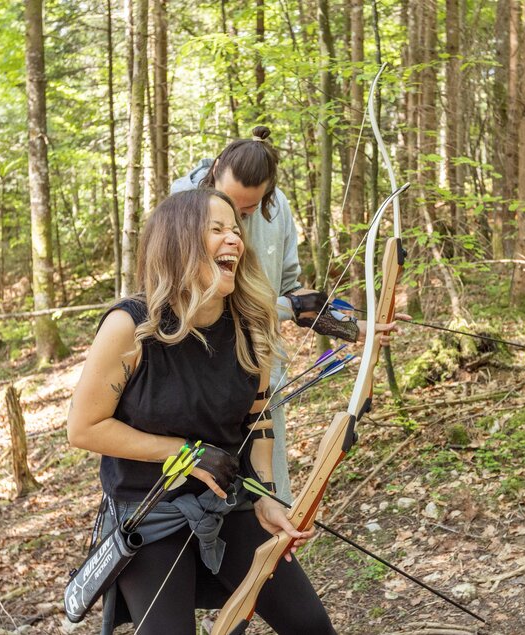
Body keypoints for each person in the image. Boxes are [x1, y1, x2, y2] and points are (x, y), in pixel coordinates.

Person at [67, 189, 336, 634]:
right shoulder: (131, 325)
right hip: (149, 514)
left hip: (227, 503)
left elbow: (258, 415)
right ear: (179, 242)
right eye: (217, 230)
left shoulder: (251, 320)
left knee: (309, 625)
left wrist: (266, 494)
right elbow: (84, 427)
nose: (234, 239)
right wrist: (185, 453)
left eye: (236, 229)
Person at [171, 125, 405, 503]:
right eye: (229, 205)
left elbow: (291, 291)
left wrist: (353, 328)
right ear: (215, 170)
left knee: (269, 489)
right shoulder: (181, 204)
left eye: (246, 210)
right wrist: (290, 307)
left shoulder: (276, 206)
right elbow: (195, 294)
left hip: (259, 369)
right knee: (205, 494)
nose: (237, 219)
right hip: (199, 372)